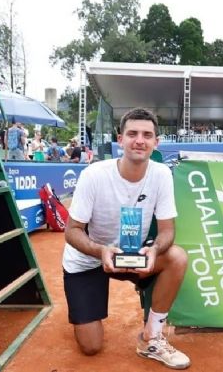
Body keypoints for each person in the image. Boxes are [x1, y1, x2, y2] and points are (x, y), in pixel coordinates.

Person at [62, 108, 191, 369]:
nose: (139, 140)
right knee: (91, 346)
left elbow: (167, 231)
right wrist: (100, 252)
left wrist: (153, 250)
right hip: (89, 259)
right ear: (120, 139)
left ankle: (151, 337)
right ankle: (83, 310)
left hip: (134, 257)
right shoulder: (93, 175)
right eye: (132, 134)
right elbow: (72, 230)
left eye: (147, 135)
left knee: (176, 257)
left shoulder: (162, 174)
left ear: (156, 142)